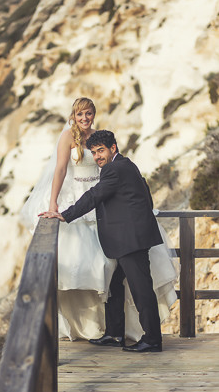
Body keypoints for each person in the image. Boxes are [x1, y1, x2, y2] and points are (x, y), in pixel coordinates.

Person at [19, 98, 176, 343]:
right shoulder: (123, 163)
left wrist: (65, 214)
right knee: (114, 281)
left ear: (112, 148)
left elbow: (94, 195)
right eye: (94, 152)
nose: (96, 156)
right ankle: (114, 332)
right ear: (73, 115)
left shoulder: (114, 168)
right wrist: (54, 204)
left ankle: (152, 340)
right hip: (116, 221)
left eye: (89, 113)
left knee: (140, 287)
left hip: (125, 230)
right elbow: (62, 170)